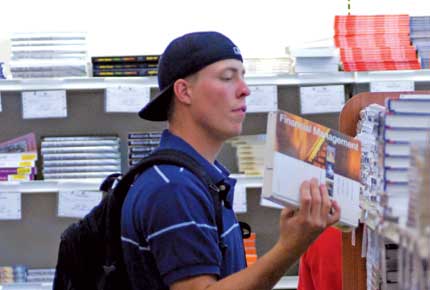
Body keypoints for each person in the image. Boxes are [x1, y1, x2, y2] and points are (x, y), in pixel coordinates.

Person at [120, 31, 341, 290]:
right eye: (227, 77)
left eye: (243, 76)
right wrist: (290, 246)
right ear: (184, 91)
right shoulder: (174, 188)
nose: (245, 90)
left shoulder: (198, 180)